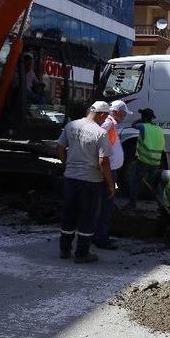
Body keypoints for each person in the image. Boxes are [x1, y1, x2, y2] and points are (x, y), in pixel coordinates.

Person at [56, 101, 115, 263]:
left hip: (70, 178)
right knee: (87, 216)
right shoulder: (100, 133)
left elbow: (60, 148)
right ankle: (82, 254)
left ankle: (65, 250)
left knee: (69, 213)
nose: (105, 120)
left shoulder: (71, 125)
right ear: (101, 114)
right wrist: (110, 184)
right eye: (105, 117)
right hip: (90, 180)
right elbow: (103, 162)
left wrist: (66, 164)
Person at [92, 99, 129, 250]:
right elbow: (98, 143)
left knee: (104, 205)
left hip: (109, 169)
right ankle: (101, 238)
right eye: (124, 113)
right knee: (106, 206)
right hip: (107, 170)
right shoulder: (108, 124)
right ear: (118, 112)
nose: (125, 116)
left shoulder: (110, 124)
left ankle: (98, 235)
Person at [124, 108, 165, 211]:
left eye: (142, 116)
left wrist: (140, 120)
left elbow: (133, 125)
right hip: (156, 162)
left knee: (135, 181)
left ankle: (132, 204)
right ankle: (162, 206)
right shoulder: (159, 129)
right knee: (155, 184)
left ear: (144, 118)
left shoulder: (143, 127)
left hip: (144, 161)